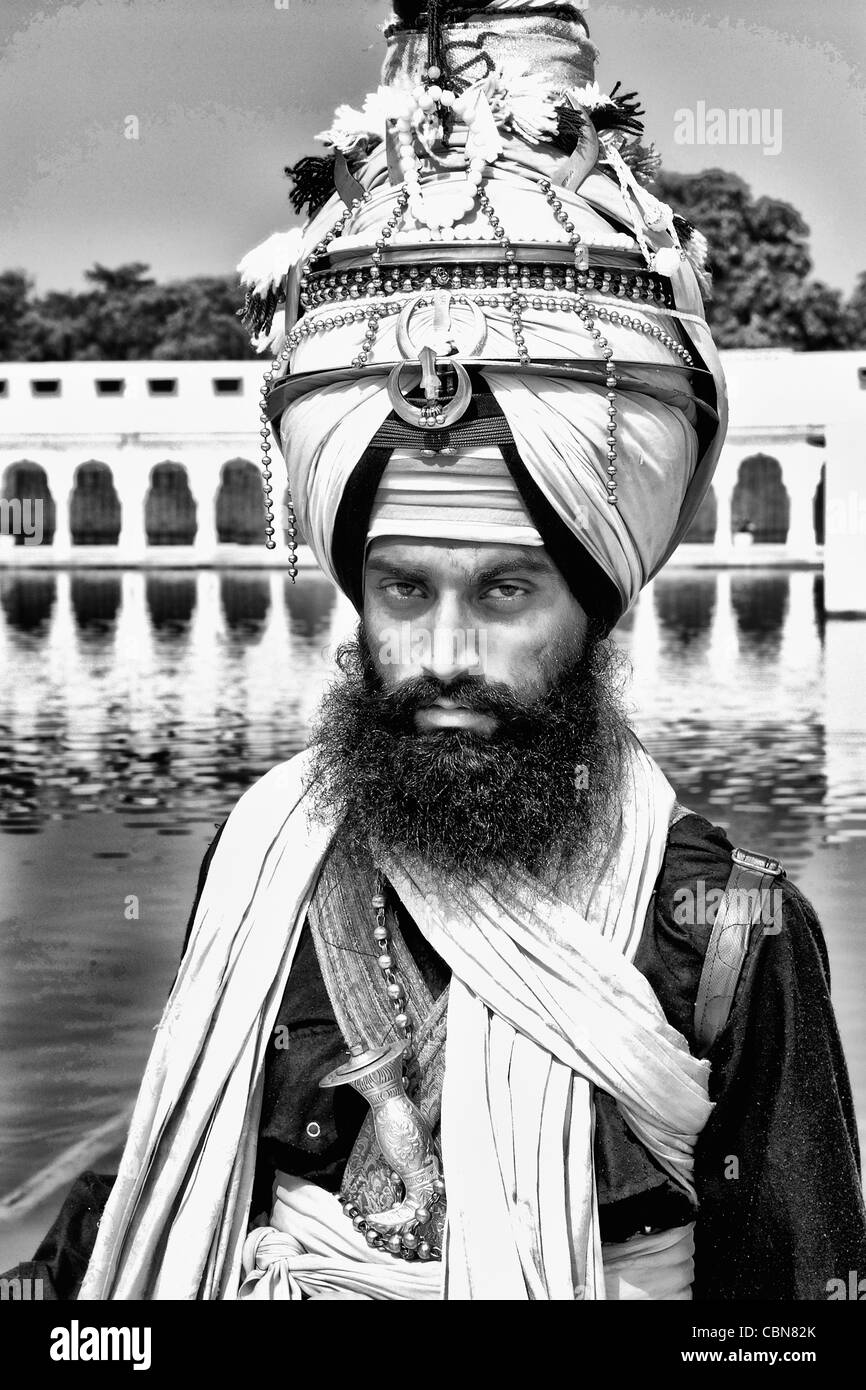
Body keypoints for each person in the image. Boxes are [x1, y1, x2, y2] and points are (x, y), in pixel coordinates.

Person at [9, 0, 866, 1300]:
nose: (445, 649)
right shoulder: (261, 871)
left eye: (509, 588)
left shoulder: (731, 935)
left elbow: (795, 1310)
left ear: (598, 593)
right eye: (404, 586)